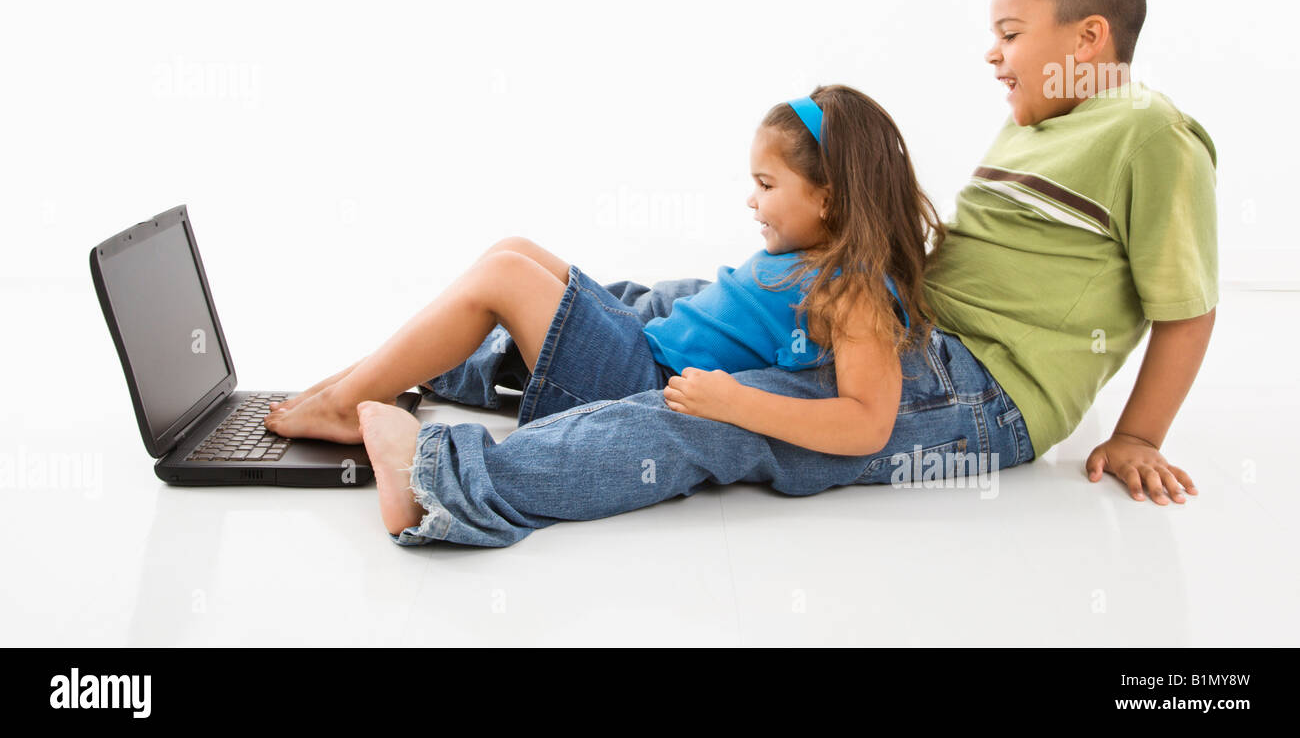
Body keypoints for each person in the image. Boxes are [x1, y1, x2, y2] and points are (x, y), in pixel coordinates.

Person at [267, 85, 949, 537]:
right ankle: (364, 381)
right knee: (514, 251)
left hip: (640, 379)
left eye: (766, 185)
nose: (752, 200)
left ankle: (345, 407)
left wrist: (734, 402)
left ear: (827, 197)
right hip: (640, 345)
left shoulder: (853, 288)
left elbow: (868, 421)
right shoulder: (812, 253)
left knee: (504, 275)